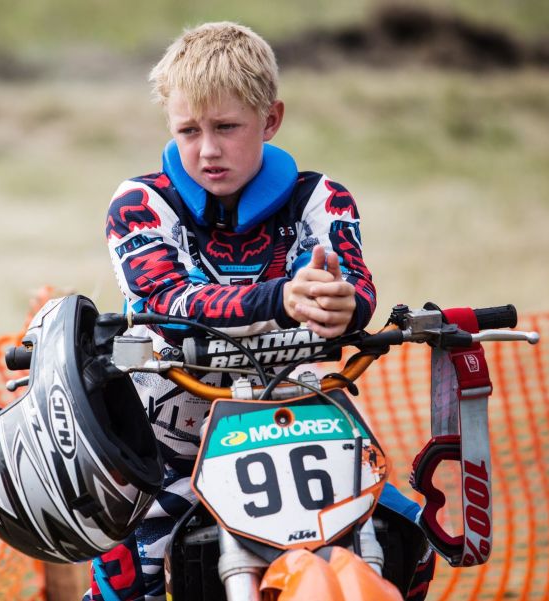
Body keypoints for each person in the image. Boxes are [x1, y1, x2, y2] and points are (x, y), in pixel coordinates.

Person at [89, 22, 432, 601]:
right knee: (126, 571)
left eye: (226, 127)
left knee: (410, 538)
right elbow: (167, 302)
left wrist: (343, 306)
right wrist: (282, 298)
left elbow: (355, 289)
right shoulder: (141, 204)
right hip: (172, 446)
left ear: (270, 120)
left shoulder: (321, 198)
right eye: (188, 130)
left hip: (308, 420)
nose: (207, 149)